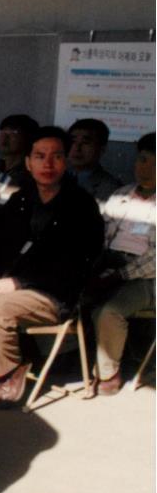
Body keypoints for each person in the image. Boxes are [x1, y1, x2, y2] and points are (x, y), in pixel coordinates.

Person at [0, 127, 104, 409]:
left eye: (56, 157)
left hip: (52, 294)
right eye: (40, 156)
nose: (48, 164)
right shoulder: (20, 200)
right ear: (28, 162)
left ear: (66, 162)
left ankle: (6, 371)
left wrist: (19, 283)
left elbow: (75, 263)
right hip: (5, 287)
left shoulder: (81, 205)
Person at [86, 132, 156, 395]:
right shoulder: (122, 194)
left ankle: (108, 373)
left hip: (145, 277)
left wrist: (119, 275)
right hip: (110, 264)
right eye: (141, 159)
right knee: (70, 299)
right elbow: (100, 234)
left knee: (108, 312)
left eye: (150, 160)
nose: (142, 166)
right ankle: (69, 360)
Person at [0, 113, 39, 206]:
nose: (4, 138)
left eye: (12, 133)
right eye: (1, 132)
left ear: (27, 138)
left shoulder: (32, 173)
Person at [68, 117, 124, 202]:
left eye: (85, 142)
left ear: (102, 149)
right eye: (73, 141)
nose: (77, 148)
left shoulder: (112, 189)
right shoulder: (56, 178)